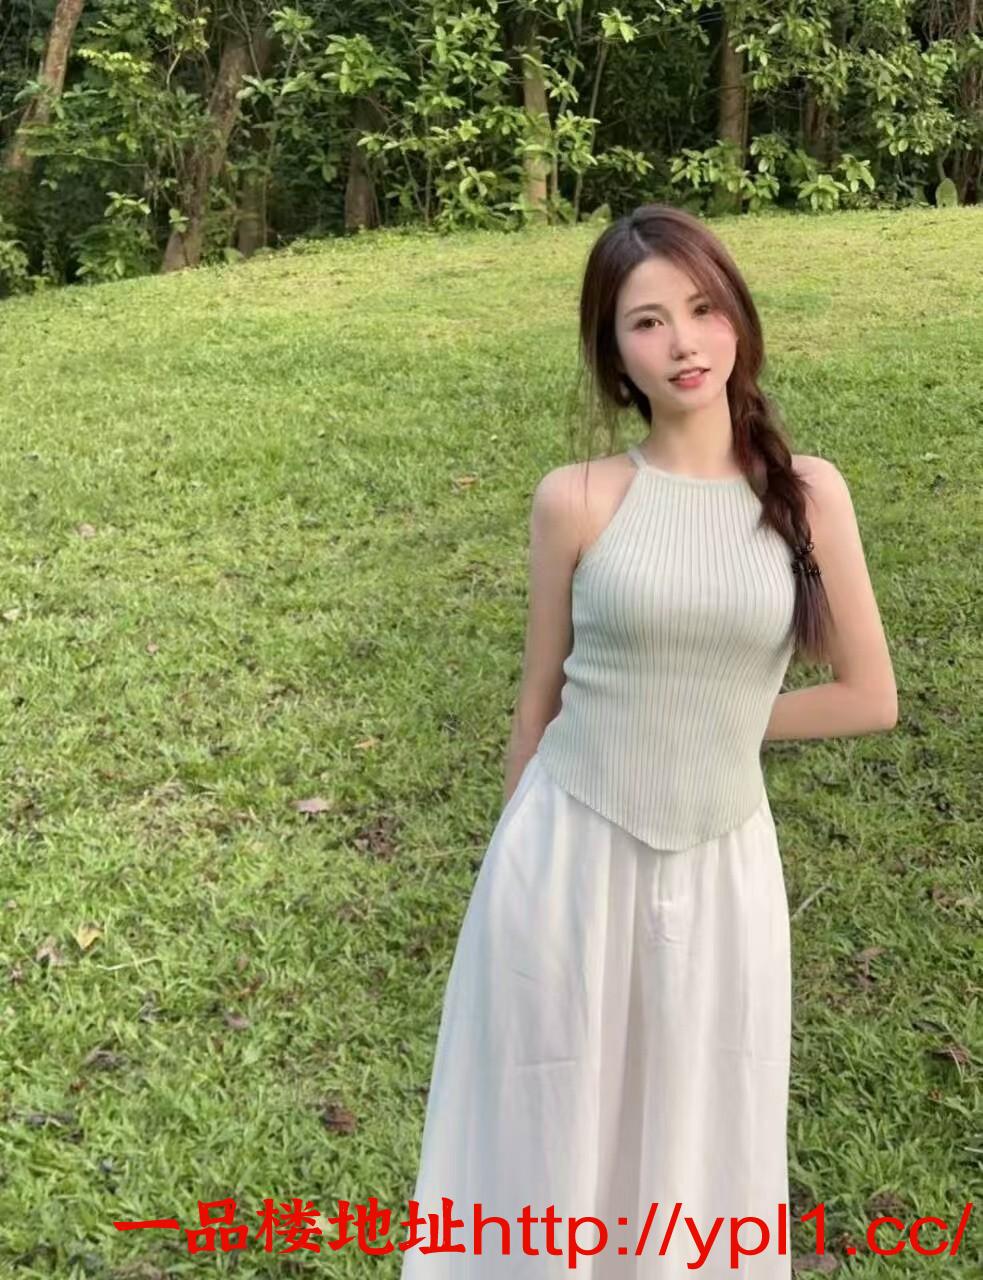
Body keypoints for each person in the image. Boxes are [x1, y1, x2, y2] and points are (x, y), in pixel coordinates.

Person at [398, 203, 898, 1278]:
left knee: (699, 1122)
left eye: (702, 309)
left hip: (721, 864)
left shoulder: (807, 495)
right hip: (565, 856)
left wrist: (710, 720)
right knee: (549, 1121)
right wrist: (505, 879)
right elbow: (537, 702)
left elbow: (868, 696)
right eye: (646, 321)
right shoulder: (576, 499)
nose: (682, 342)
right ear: (612, 352)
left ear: (738, 319)